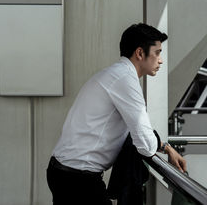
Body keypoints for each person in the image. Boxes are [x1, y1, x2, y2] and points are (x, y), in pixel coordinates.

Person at [47, 23, 187, 205]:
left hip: (68, 173)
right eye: (158, 52)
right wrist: (161, 147)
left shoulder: (116, 75)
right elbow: (145, 144)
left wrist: (166, 148)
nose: (160, 60)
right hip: (77, 178)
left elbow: (142, 136)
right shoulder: (125, 80)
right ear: (139, 53)